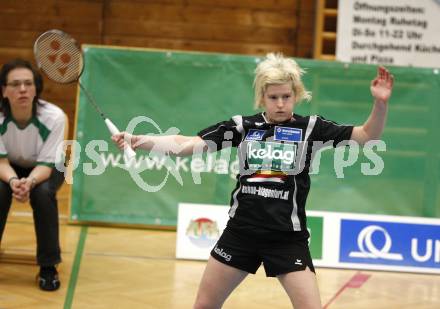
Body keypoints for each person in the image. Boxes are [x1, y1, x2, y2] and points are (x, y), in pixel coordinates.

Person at [112, 53, 393, 308]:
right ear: (262, 97)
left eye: (286, 96)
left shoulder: (311, 128)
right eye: (273, 97)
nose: (281, 103)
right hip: (241, 233)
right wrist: (140, 140)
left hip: (287, 237)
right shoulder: (242, 127)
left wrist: (380, 104)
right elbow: (187, 145)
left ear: (296, 94)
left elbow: (367, 136)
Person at [0, 59, 66, 291]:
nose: (22, 89)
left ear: (36, 88)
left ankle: (48, 266)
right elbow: (1, 162)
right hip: (9, 166)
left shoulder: (55, 117)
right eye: (15, 84)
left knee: (43, 194)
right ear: (4, 90)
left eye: (28, 83)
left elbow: (47, 167)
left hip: (46, 167)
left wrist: (28, 182)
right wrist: (14, 181)